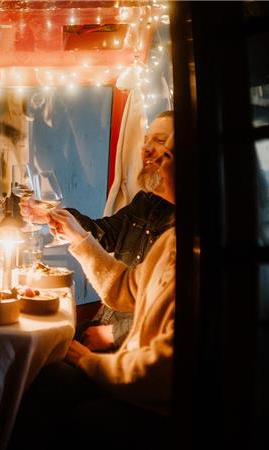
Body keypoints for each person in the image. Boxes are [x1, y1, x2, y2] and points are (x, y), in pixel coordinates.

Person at [11, 113, 176, 449]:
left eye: (165, 149)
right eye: (149, 141)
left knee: (56, 399)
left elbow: (159, 373)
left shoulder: (193, 249)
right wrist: (74, 232)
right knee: (37, 377)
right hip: (125, 366)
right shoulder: (167, 233)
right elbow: (123, 287)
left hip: (154, 403)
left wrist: (92, 358)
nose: (151, 152)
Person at [66, 111, 175, 351]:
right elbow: (104, 235)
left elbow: (166, 325)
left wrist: (115, 335)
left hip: (125, 345)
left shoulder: (181, 239)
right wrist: (61, 217)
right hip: (103, 323)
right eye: (146, 140)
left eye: (161, 144)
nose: (147, 150)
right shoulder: (145, 203)